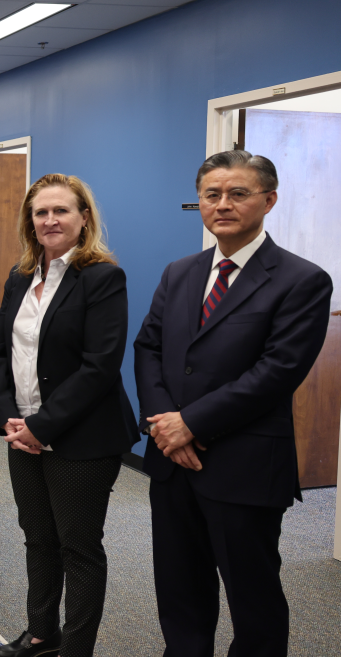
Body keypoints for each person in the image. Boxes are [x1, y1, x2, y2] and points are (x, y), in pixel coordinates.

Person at [134, 151, 332, 657]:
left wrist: (190, 424)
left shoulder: (302, 280)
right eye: (212, 194)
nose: (223, 204)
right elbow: (149, 348)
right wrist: (163, 427)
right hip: (173, 464)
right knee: (179, 590)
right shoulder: (180, 272)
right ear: (199, 202)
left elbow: (277, 373)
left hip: (243, 465)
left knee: (254, 598)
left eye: (238, 193)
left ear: (269, 200)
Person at [0, 174, 138, 657]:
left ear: (84, 217)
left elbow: (100, 367)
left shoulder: (102, 278)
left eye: (61, 211)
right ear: (29, 222)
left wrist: (40, 426)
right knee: (37, 539)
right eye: (40, 212)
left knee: (79, 549)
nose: (49, 220)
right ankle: (40, 634)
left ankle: (76, 649)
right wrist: (12, 420)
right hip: (21, 433)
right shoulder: (18, 277)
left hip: (82, 439)